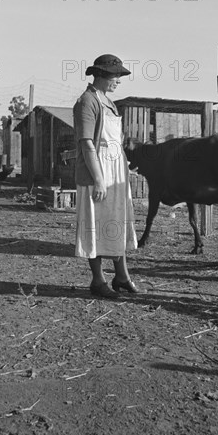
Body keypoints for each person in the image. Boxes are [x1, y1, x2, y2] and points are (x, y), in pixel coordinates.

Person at [73, 54, 140, 298]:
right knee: (97, 224)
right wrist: (99, 179)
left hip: (114, 171)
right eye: (115, 76)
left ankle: (121, 276)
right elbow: (87, 143)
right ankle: (98, 280)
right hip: (96, 171)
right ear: (100, 75)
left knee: (117, 220)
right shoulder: (87, 101)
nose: (118, 81)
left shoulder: (108, 102)